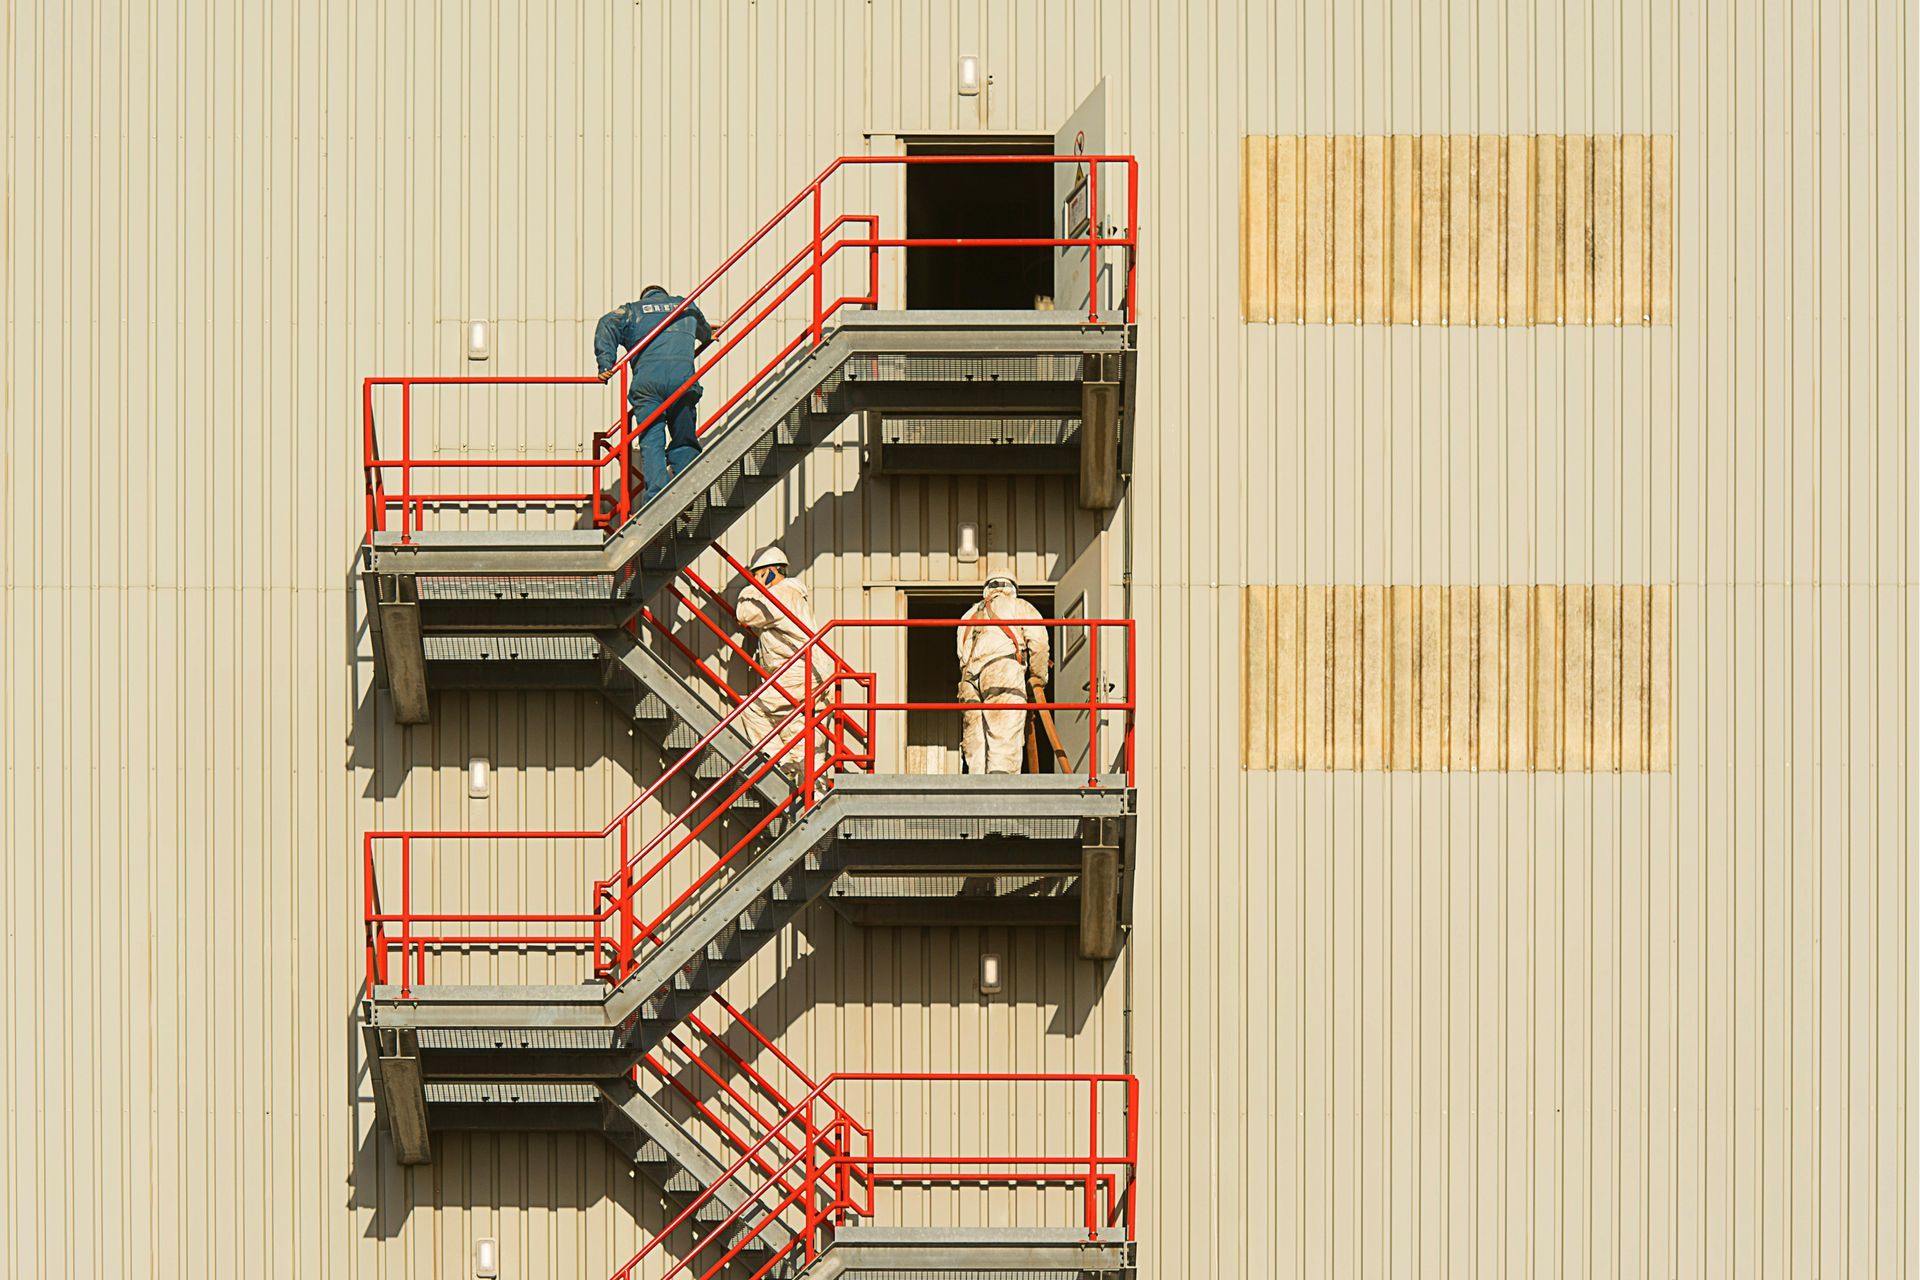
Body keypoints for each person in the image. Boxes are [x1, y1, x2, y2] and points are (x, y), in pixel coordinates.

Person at [594, 285, 714, 507]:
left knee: (651, 441)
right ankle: (688, 493)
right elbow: (703, 329)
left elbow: (607, 323)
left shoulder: (633, 311)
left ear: (644, 297)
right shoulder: (685, 305)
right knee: (684, 438)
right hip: (682, 383)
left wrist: (605, 364)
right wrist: (707, 335)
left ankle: (656, 499)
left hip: (648, 386)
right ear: (664, 294)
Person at [733, 546, 832, 780]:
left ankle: (778, 760)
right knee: (803, 737)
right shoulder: (791, 595)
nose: (756, 580)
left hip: (796, 671)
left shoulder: (782, 594)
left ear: (768, 572)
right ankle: (813, 795)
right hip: (811, 670)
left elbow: (745, 613)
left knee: (752, 709)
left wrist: (750, 589)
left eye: (757, 574)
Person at [957, 576, 1050, 774]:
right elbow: (1039, 644)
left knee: (975, 743)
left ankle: (976, 790)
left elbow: (961, 655)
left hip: (969, 680)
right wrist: (1038, 679)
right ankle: (1001, 789)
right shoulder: (1020, 606)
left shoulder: (968, 615)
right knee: (1004, 739)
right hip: (1002, 671)